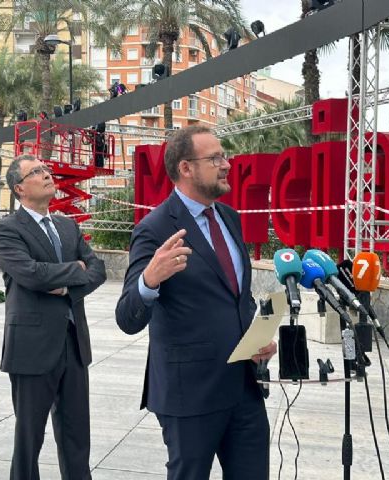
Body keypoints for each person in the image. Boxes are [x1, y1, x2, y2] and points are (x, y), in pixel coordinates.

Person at [115, 125, 277, 480]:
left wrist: (257, 336)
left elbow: (236, 296)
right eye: (215, 158)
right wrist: (149, 280)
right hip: (190, 394)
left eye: (225, 156)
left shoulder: (229, 218)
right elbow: (127, 317)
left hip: (244, 387)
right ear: (186, 168)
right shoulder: (154, 228)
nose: (226, 165)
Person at [0, 154, 106, 480]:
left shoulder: (67, 225)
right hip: (31, 347)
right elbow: (31, 274)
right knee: (29, 439)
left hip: (73, 344)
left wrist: (68, 288)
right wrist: (74, 271)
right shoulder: (7, 229)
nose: (47, 174)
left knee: (76, 437)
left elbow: (96, 270)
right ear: (19, 188)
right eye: (37, 172)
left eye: (46, 169)